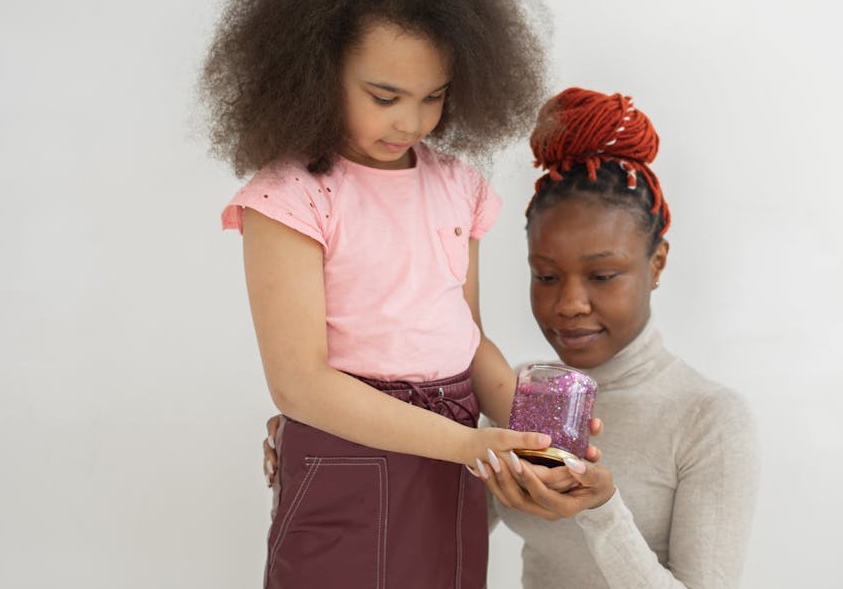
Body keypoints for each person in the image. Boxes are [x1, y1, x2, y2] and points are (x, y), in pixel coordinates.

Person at [264, 87, 760, 588]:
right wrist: (332, 435)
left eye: (603, 276)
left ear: (657, 263)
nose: (569, 303)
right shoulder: (521, 394)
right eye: (546, 276)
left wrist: (601, 511)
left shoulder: (710, 420)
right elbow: (439, 510)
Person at [201, 0, 558, 586]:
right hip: (348, 459)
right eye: (385, 97)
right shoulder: (292, 197)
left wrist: (540, 437)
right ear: (317, 70)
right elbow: (300, 385)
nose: (411, 122)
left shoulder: (456, 186)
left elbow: (468, 340)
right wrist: (470, 446)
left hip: (452, 464)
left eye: (434, 96)